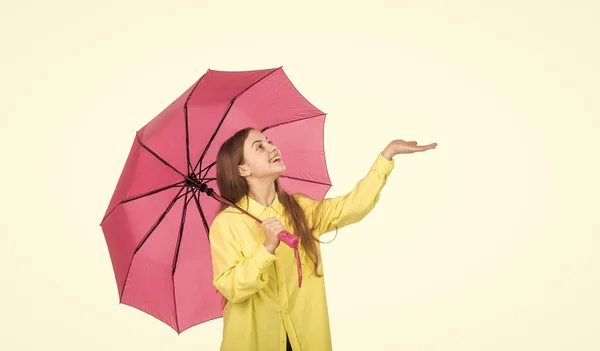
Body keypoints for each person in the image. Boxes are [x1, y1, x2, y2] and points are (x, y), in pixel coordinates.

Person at [209, 127, 437, 351]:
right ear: (242, 169)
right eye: (259, 147)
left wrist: (387, 155)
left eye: (269, 141)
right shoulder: (228, 223)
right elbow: (231, 287)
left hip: (306, 340)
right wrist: (267, 248)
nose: (272, 147)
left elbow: (352, 206)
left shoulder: (300, 210)